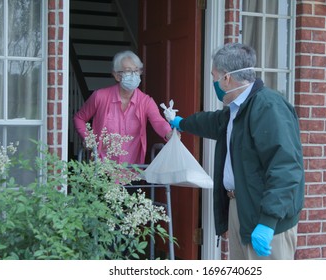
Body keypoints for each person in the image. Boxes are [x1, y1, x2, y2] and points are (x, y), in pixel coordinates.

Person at [166, 43, 305, 260]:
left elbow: (286, 168)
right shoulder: (237, 109)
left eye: (214, 76)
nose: (214, 82)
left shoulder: (268, 106)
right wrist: (182, 123)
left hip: (266, 218)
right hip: (241, 208)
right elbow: (212, 122)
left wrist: (268, 222)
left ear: (226, 78)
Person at [73, 50, 173, 164]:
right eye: (128, 71)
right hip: (101, 169)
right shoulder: (100, 96)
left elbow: (158, 121)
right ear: (116, 75)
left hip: (131, 170)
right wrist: (88, 138)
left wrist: (169, 133)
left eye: (136, 71)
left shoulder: (146, 101)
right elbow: (79, 118)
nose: (133, 75)